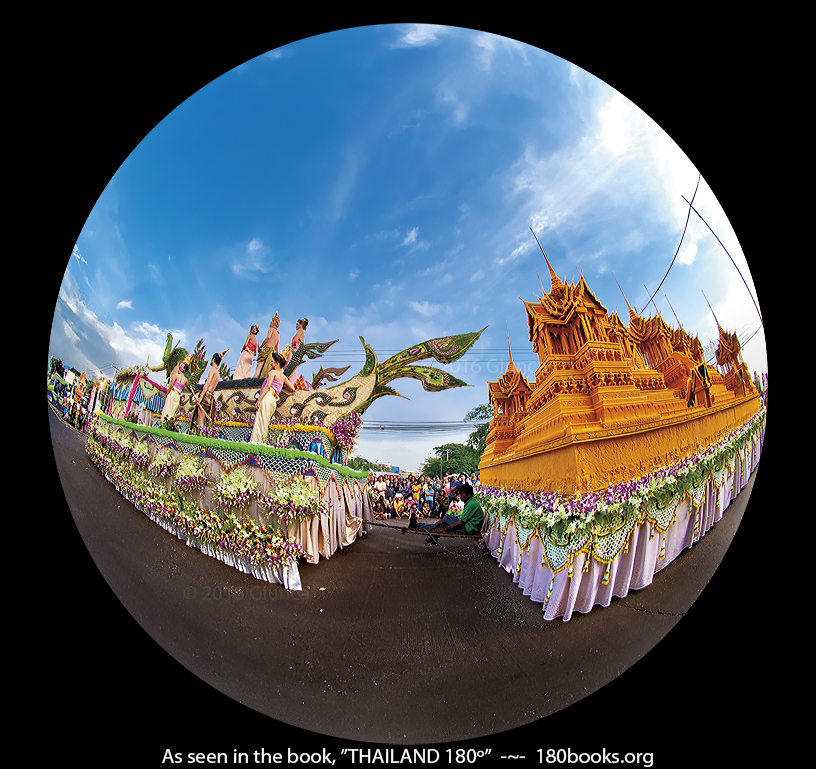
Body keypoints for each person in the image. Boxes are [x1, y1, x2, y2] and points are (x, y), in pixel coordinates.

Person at [408, 483, 484, 545]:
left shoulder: (471, 504)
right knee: (442, 523)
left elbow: (460, 522)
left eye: (462, 494)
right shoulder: (471, 501)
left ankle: (421, 529)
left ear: (469, 494)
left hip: (468, 528)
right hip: (468, 526)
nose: (460, 496)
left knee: (441, 524)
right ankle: (428, 533)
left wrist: (444, 529)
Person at [249, 352, 296, 445]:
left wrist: (259, 400)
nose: (271, 363)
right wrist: (281, 386)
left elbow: (267, 386)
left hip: (267, 397)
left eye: (272, 361)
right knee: (264, 422)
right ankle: (261, 442)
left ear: (277, 363)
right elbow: (292, 388)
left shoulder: (273, 372)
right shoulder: (283, 377)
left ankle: (256, 443)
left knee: (260, 421)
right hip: (273, 400)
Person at [193, 350, 227, 432]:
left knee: (200, 419)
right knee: (204, 419)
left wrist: (201, 397)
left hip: (206, 395)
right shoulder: (218, 373)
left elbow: (207, 383)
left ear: (213, 359)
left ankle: (199, 437)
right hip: (211, 397)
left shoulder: (212, 369)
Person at [255, 313, 281, 378]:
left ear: (274, 323)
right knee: (266, 368)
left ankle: (253, 381)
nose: (270, 324)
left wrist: (261, 346)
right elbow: (277, 346)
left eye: (271, 322)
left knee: (259, 366)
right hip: (272, 352)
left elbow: (268, 338)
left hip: (267, 349)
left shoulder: (271, 330)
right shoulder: (278, 335)